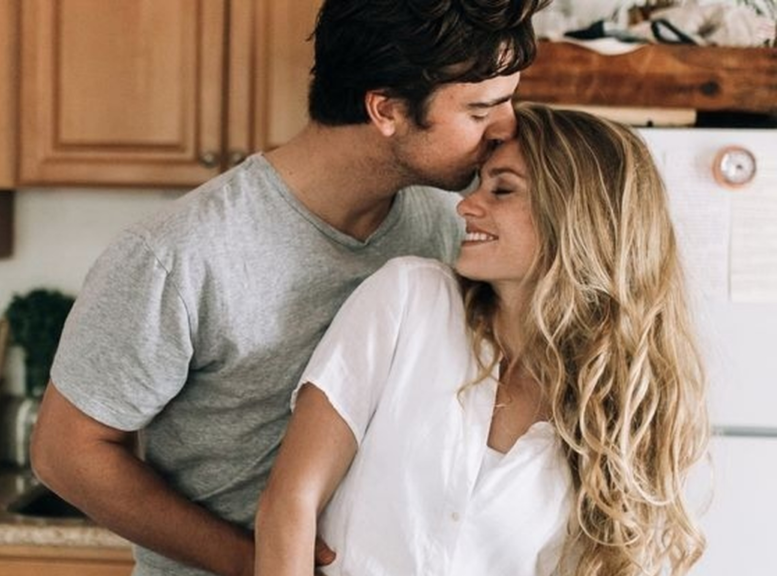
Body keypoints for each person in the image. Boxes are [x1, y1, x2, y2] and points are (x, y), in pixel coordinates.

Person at [30, 1, 549, 575]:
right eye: (481, 110)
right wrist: (255, 561)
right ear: (386, 110)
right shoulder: (179, 256)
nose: (507, 128)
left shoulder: (451, 230)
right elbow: (66, 453)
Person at [255, 103, 711, 576]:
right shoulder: (408, 300)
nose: (466, 205)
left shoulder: (615, 411)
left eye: (503, 189)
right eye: (479, 185)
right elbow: (289, 503)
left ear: (576, 215)